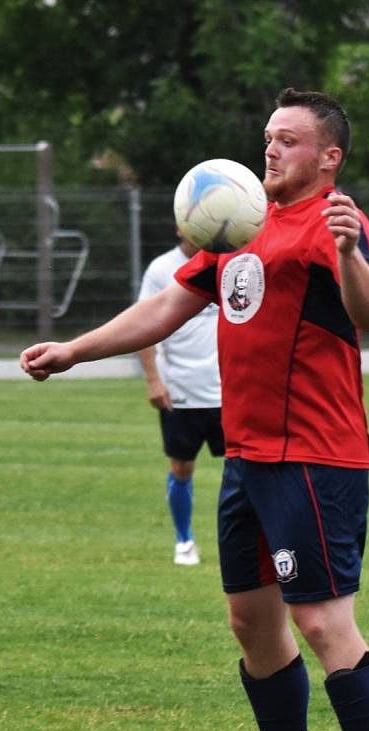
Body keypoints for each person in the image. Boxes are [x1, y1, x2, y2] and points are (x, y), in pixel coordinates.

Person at [20, 88, 369, 731]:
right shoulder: (238, 229)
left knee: (323, 622)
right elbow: (167, 305)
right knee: (251, 622)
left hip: (314, 456)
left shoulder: (334, 222)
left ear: (329, 156)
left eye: (288, 140)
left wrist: (352, 253)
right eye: (267, 136)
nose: (270, 148)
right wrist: (76, 350)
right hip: (249, 457)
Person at [137, 231, 224, 566]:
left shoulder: (229, 261)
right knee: (182, 466)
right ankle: (184, 540)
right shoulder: (162, 269)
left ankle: (257, 541)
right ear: (181, 226)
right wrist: (154, 380)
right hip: (181, 391)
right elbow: (145, 323)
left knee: (247, 469)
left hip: (228, 391)